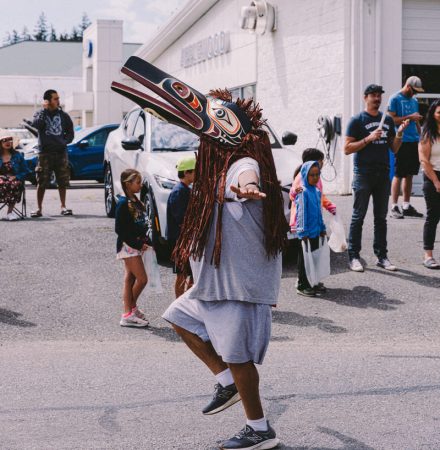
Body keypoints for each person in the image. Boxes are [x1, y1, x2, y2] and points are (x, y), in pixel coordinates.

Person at [112, 57, 287, 449]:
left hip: (237, 285)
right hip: (214, 281)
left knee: (239, 357)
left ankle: (259, 429)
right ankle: (225, 382)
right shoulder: (216, 170)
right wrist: (190, 263)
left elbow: (248, 176)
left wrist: (248, 188)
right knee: (177, 317)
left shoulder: (241, 163)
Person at [344, 84, 409, 272]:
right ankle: (354, 256)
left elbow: (394, 148)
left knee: (381, 218)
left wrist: (399, 134)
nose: (377, 99)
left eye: (379, 96)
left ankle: (382, 256)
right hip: (363, 174)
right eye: (373, 95)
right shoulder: (357, 120)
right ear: (365, 97)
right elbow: (347, 149)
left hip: (383, 175)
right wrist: (368, 139)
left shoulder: (387, 120)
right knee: (358, 216)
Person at [290, 148, 335, 296]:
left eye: (317, 175)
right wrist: (302, 231)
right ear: (305, 175)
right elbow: (301, 213)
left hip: (316, 230)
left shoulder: (315, 191)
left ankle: (313, 281)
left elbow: (318, 212)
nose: (315, 178)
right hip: (306, 231)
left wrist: (322, 228)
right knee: (304, 259)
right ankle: (303, 284)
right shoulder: (302, 192)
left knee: (314, 257)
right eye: (312, 175)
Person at [30, 89, 74, 217]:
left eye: (58, 98)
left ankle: (63, 206)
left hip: (61, 152)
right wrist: (44, 110)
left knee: (62, 181)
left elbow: (70, 132)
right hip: (45, 153)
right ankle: (39, 208)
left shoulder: (64, 116)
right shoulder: (39, 113)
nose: (58, 101)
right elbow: (37, 125)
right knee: (42, 181)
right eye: (55, 99)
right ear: (47, 101)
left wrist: (64, 142)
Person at [115, 169, 150, 327]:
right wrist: (137, 243)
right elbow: (120, 229)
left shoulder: (134, 200)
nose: (140, 185)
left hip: (133, 244)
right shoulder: (123, 203)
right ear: (127, 184)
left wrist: (146, 239)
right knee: (142, 279)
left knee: (130, 279)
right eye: (137, 182)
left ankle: (130, 311)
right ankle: (129, 311)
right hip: (128, 246)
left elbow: (139, 224)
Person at [388, 76, 425, 218]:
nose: (415, 94)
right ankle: (394, 207)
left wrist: (419, 131)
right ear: (408, 86)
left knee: (410, 174)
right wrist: (410, 117)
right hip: (401, 140)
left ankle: (406, 206)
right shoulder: (395, 99)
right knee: (399, 174)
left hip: (413, 140)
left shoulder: (414, 101)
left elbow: (415, 120)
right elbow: (391, 120)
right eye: (414, 91)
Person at [166, 155, 195, 298]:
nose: (197, 174)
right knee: (182, 273)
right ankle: (180, 302)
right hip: (179, 239)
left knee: (191, 272)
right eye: (194, 171)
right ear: (186, 173)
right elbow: (181, 218)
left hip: (185, 239)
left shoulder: (186, 189)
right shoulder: (179, 192)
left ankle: (188, 300)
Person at [418, 99, 440, 269]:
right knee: (433, 217)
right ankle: (428, 255)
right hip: (432, 176)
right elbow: (424, 161)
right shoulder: (428, 133)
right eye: (439, 112)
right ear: (433, 114)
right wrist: (436, 181)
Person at [0, 130, 29, 220]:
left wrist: (16, 176)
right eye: (4, 140)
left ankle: (10, 213)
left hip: (14, 179)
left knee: (14, 184)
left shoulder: (17, 155)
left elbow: (26, 171)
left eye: (9, 140)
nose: (8, 142)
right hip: (0, 179)